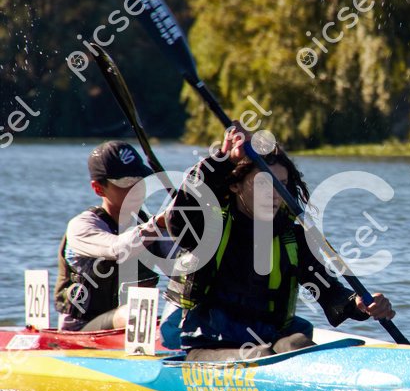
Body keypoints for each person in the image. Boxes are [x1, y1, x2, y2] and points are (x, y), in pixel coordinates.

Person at [159, 125, 395, 360]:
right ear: (235, 185)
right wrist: (223, 160)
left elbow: (328, 292)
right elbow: (178, 220)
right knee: (260, 354)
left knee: (298, 343)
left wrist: (359, 304)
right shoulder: (208, 227)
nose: (273, 194)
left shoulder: (292, 236)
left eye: (280, 184)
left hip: (270, 339)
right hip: (209, 346)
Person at [55, 141, 165, 331]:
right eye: (126, 184)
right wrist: (160, 224)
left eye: (140, 181)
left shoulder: (147, 224)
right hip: (81, 330)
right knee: (135, 311)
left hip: (133, 325)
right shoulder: (81, 226)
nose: (136, 189)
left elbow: (185, 259)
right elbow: (119, 248)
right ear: (98, 188)